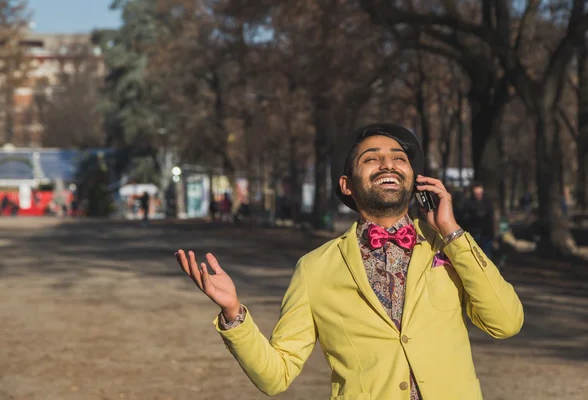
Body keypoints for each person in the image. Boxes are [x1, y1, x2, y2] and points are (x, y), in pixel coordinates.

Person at [174, 123, 523, 400]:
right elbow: (275, 376)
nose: (388, 163)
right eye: (371, 158)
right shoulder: (315, 269)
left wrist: (451, 231)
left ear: (415, 179)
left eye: (399, 157)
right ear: (347, 184)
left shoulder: (449, 246)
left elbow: (506, 323)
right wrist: (234, 313)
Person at [462, 182, 495, 259]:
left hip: (486, 232)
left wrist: (492, 232)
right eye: (476, 193)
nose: (478, 195)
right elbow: (465, 219)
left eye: (480, 193)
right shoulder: (468, 203)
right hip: (474, 232)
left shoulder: (488, 202)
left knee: (487, 255)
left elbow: (491, 217)